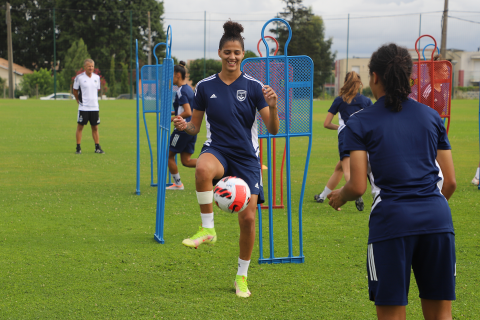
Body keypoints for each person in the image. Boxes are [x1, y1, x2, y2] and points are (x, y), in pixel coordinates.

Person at [328, 43, 456, 319]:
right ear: (409, 76)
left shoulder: (359, 123)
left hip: (392, 222)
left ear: (374, 77)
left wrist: (339, 195)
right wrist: (427, 207)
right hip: (438, 219)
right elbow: (451, 182)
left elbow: (358, 185)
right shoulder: (432, 117)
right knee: (441, 314)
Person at [172, 20, 279, 298]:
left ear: (243, 55)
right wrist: (185, 127)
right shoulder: (205, 87)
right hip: (217, 149)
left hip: (246, 158)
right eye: (227, 52)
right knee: (202, 169)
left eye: (237, 52)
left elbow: (273, 129)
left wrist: (274, 106)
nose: (232, 57)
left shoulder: (255, 87)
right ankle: (207, 229)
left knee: (248, 219)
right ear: (220, 53)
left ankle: (241, 276)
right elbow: (196, 126)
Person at [314, 71, 372, 211]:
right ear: (359, 84)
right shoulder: (366, 101)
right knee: (339, 168)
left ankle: (356, 195)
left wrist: (340, 127)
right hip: (363, 136)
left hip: (346, 135)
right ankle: (323, 195)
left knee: (346, 169)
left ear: (345, 83)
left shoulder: (340, 100)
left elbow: (326, 123)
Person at [166, 61, 197, 190]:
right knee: (186, 161)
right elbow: (185, 109)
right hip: (191, 128)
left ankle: (178, 184)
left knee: (168, 155)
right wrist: (172, 113)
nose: (170, 78)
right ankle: (216, 165)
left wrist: (172, 118)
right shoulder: (189, 89)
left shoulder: (180, 91)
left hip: (182, 129)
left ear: (178, 75)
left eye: (171, 75)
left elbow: (188, 111)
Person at [73, 59, 104, 154]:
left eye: (92, 66)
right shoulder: (79, 78)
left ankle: (97, 147)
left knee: (95, 128)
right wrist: (78, 100)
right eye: (89, 66)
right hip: (84, 107)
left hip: (94, 107)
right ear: (85, 67)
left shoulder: (97, 78)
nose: (90, 68)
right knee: (80, 127)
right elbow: (75, 90)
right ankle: (78, 148)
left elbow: (96, 90)